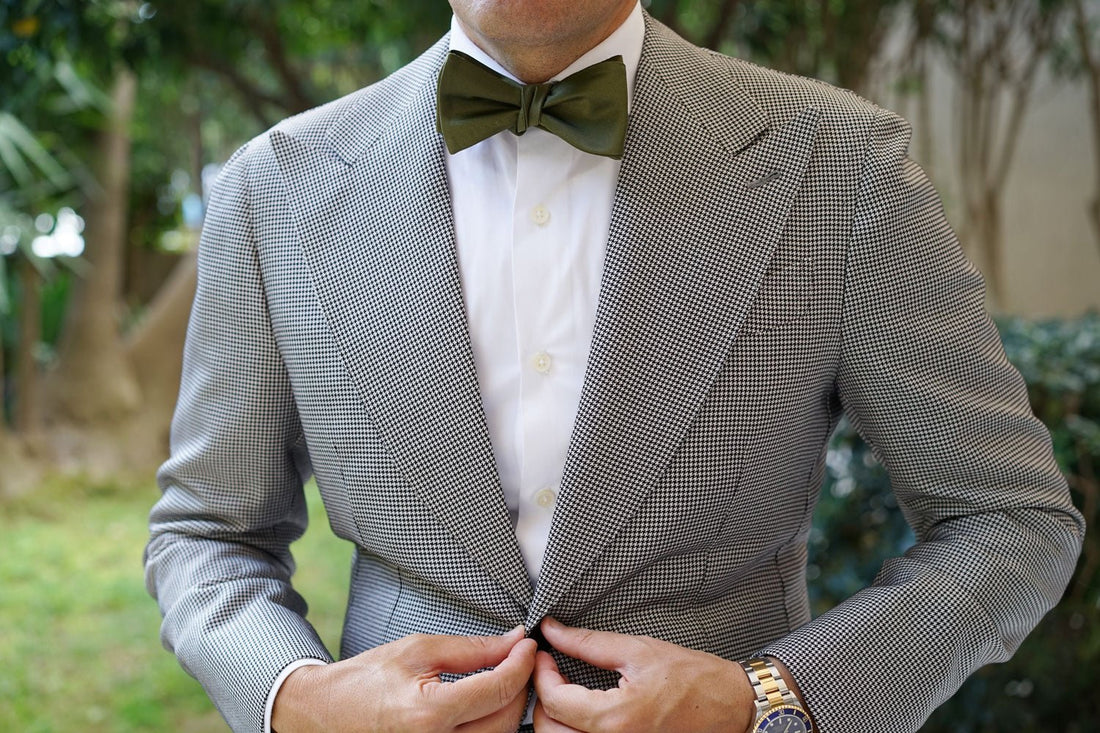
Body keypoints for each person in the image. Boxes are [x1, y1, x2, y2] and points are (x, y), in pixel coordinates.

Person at [144, 1, 1085, 732]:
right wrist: (297, 697)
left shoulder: (840, 166)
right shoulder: (274, 188)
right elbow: (207, 531)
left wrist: (769, 699)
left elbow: (1008, 520)